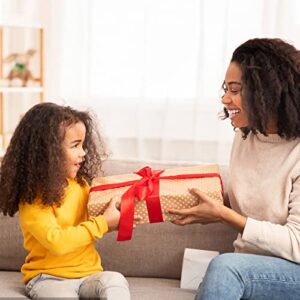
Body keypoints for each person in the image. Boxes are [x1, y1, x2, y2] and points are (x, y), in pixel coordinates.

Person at [168, 38, 300, 299]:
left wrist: (223, 215)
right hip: (250, 266)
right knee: (227, 269)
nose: (225, 98)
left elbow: (296, 244)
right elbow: (256, 200)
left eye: (235, 90)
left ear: (267, 92)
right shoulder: (245, 137)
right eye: (225, 89)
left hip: (293, 271)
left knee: (226, 268)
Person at [0, 102, 131, 299]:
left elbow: (94, 224)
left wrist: (119, 219)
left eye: (83, 145)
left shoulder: (81, 185)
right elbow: (57, 242)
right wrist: (103, 223)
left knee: (114, 281)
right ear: (49, 151)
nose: (83, 153)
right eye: (75, 145)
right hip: (48, 279)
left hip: (90, 275)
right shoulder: (33, 199)